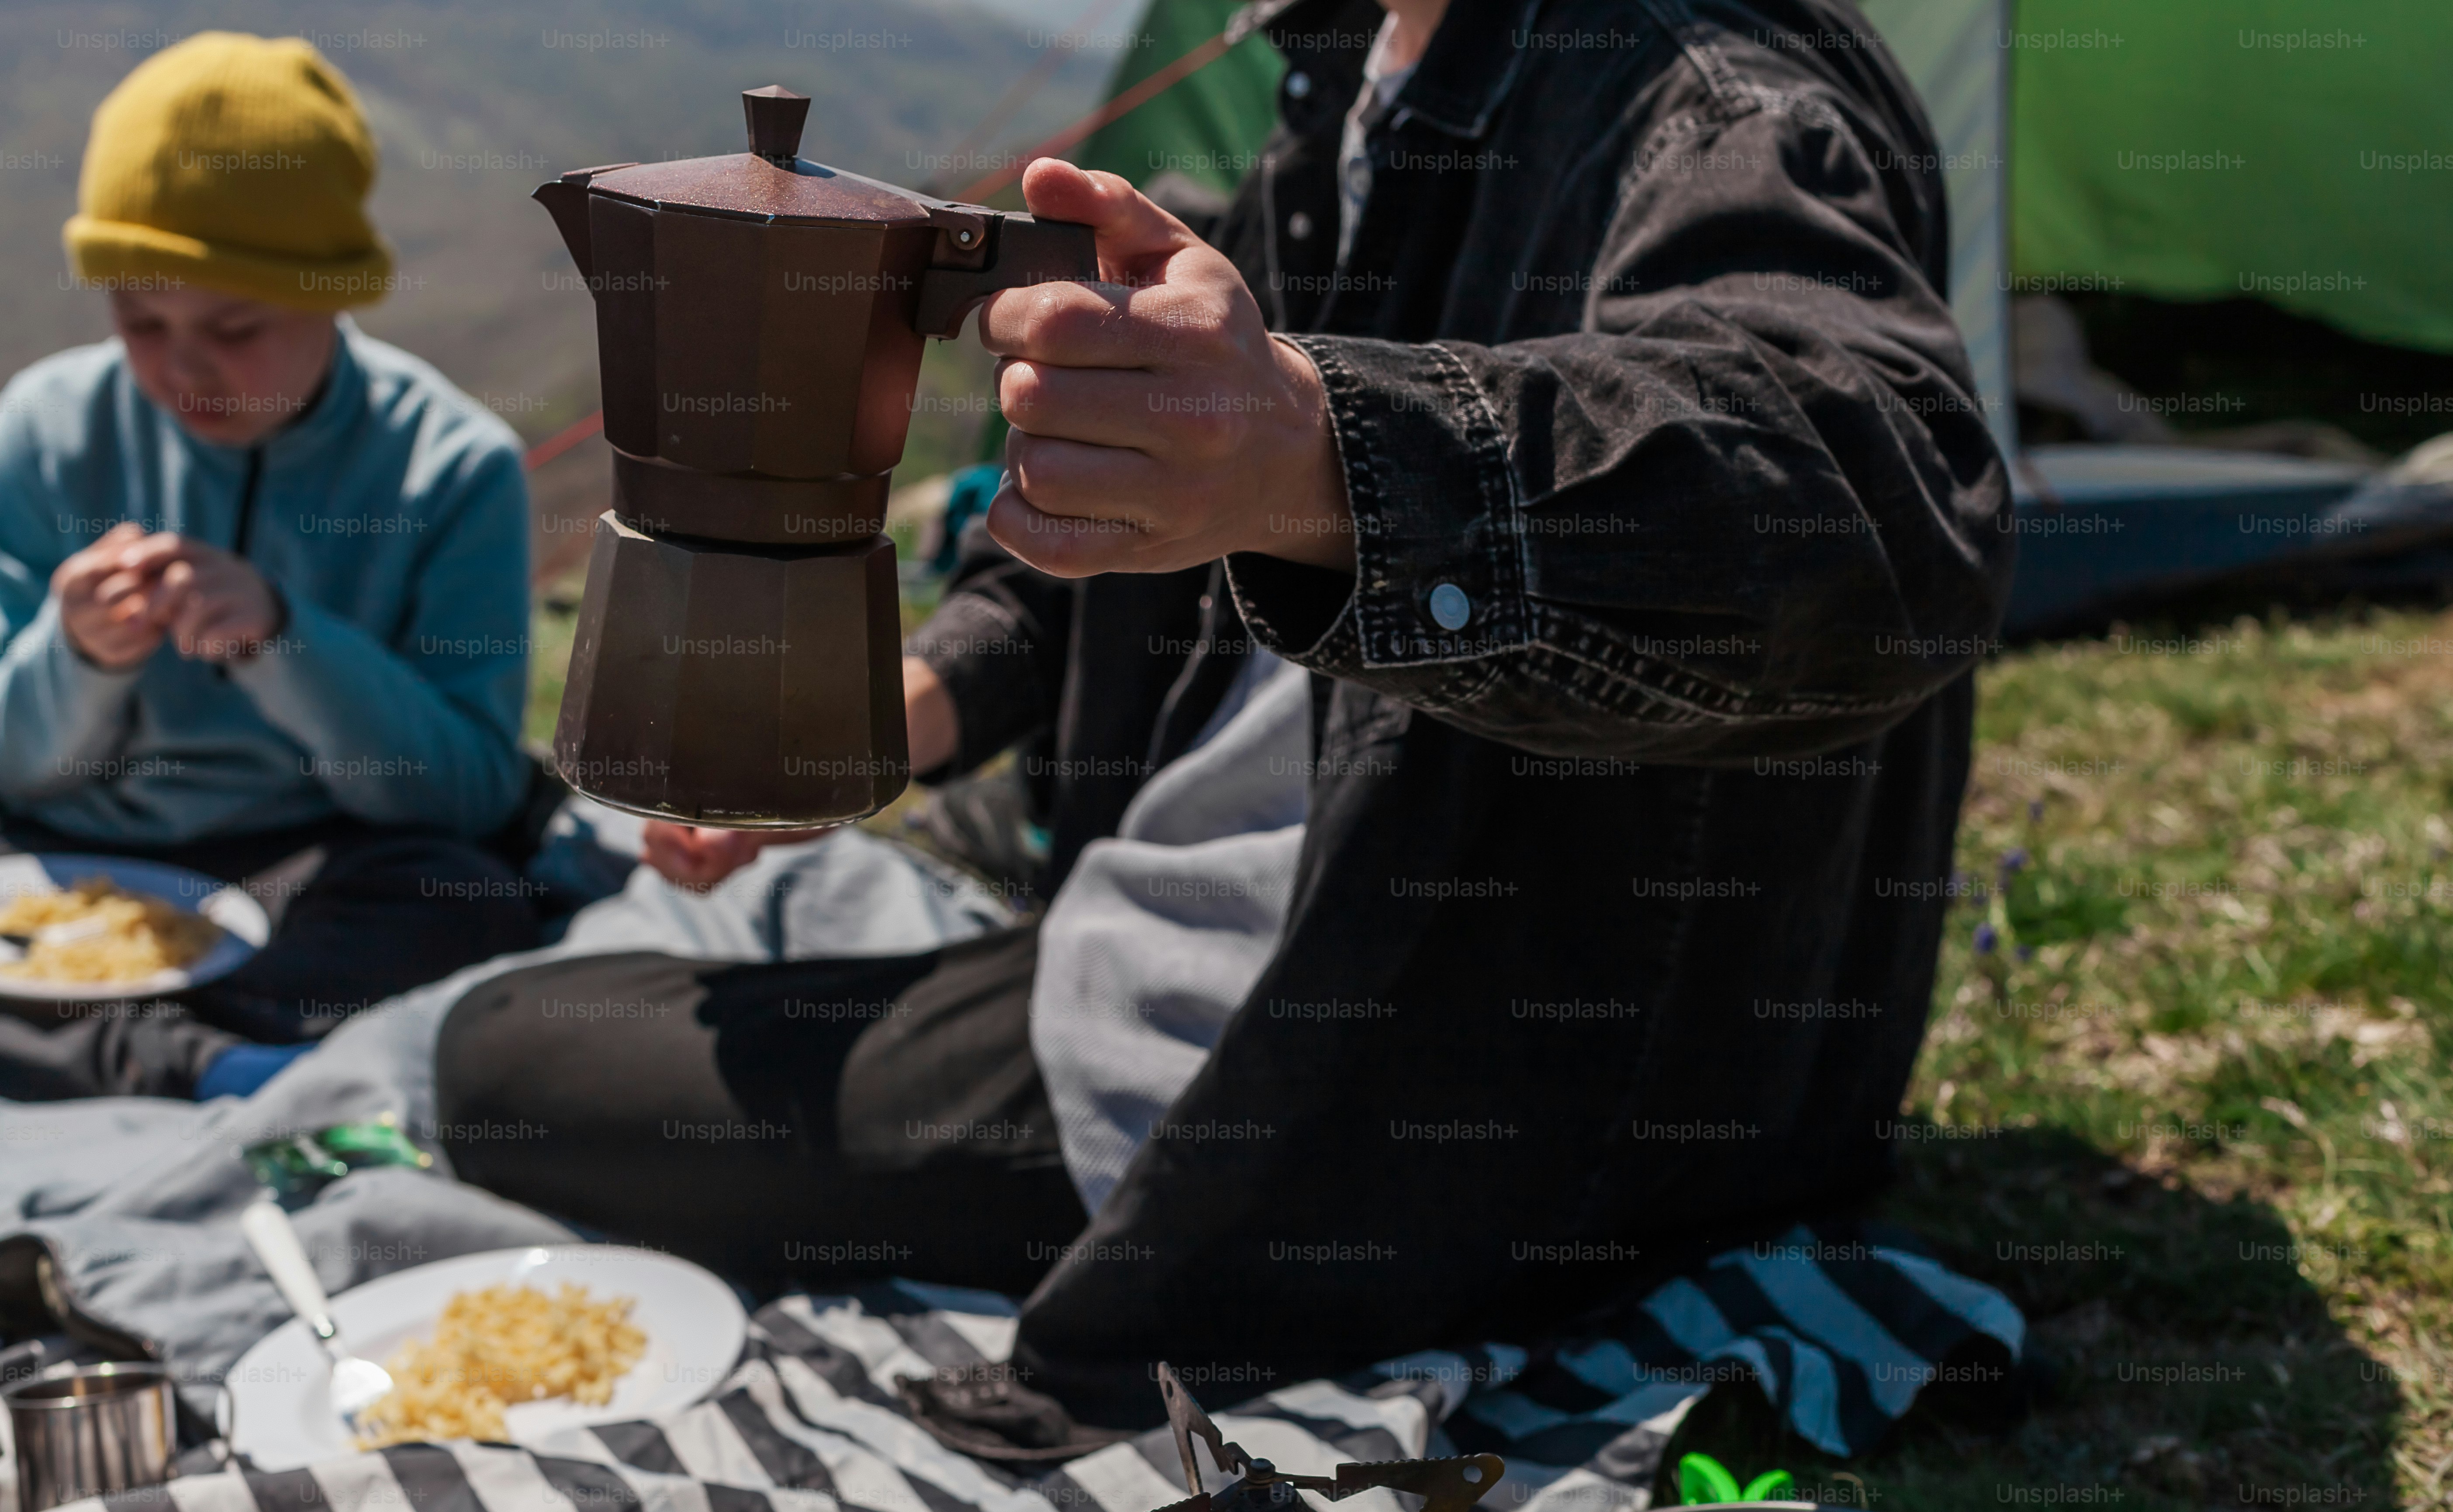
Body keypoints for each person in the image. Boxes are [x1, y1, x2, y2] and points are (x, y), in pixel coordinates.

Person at [436, 0, 2014, 1429]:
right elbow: (1115, 549)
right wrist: (907, 710)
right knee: (584, 1021)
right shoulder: (1361, 81)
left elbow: (1886, 513)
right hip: (1187, 927)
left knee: (507, 1062)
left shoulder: (1708, 97)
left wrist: (1330, 461)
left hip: (1393, 1091)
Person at [0, 33, 542, 1102]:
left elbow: (470, 792)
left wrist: (286, 642)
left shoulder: (452, 468)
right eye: (140, 321)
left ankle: (105, 1053)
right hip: (62, 864)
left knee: (462, 896)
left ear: (335, 294)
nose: (181, 367)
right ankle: (205, 1059)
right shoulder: (44, 432)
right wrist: (75, 657)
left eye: (236, 326)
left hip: (306, 862)